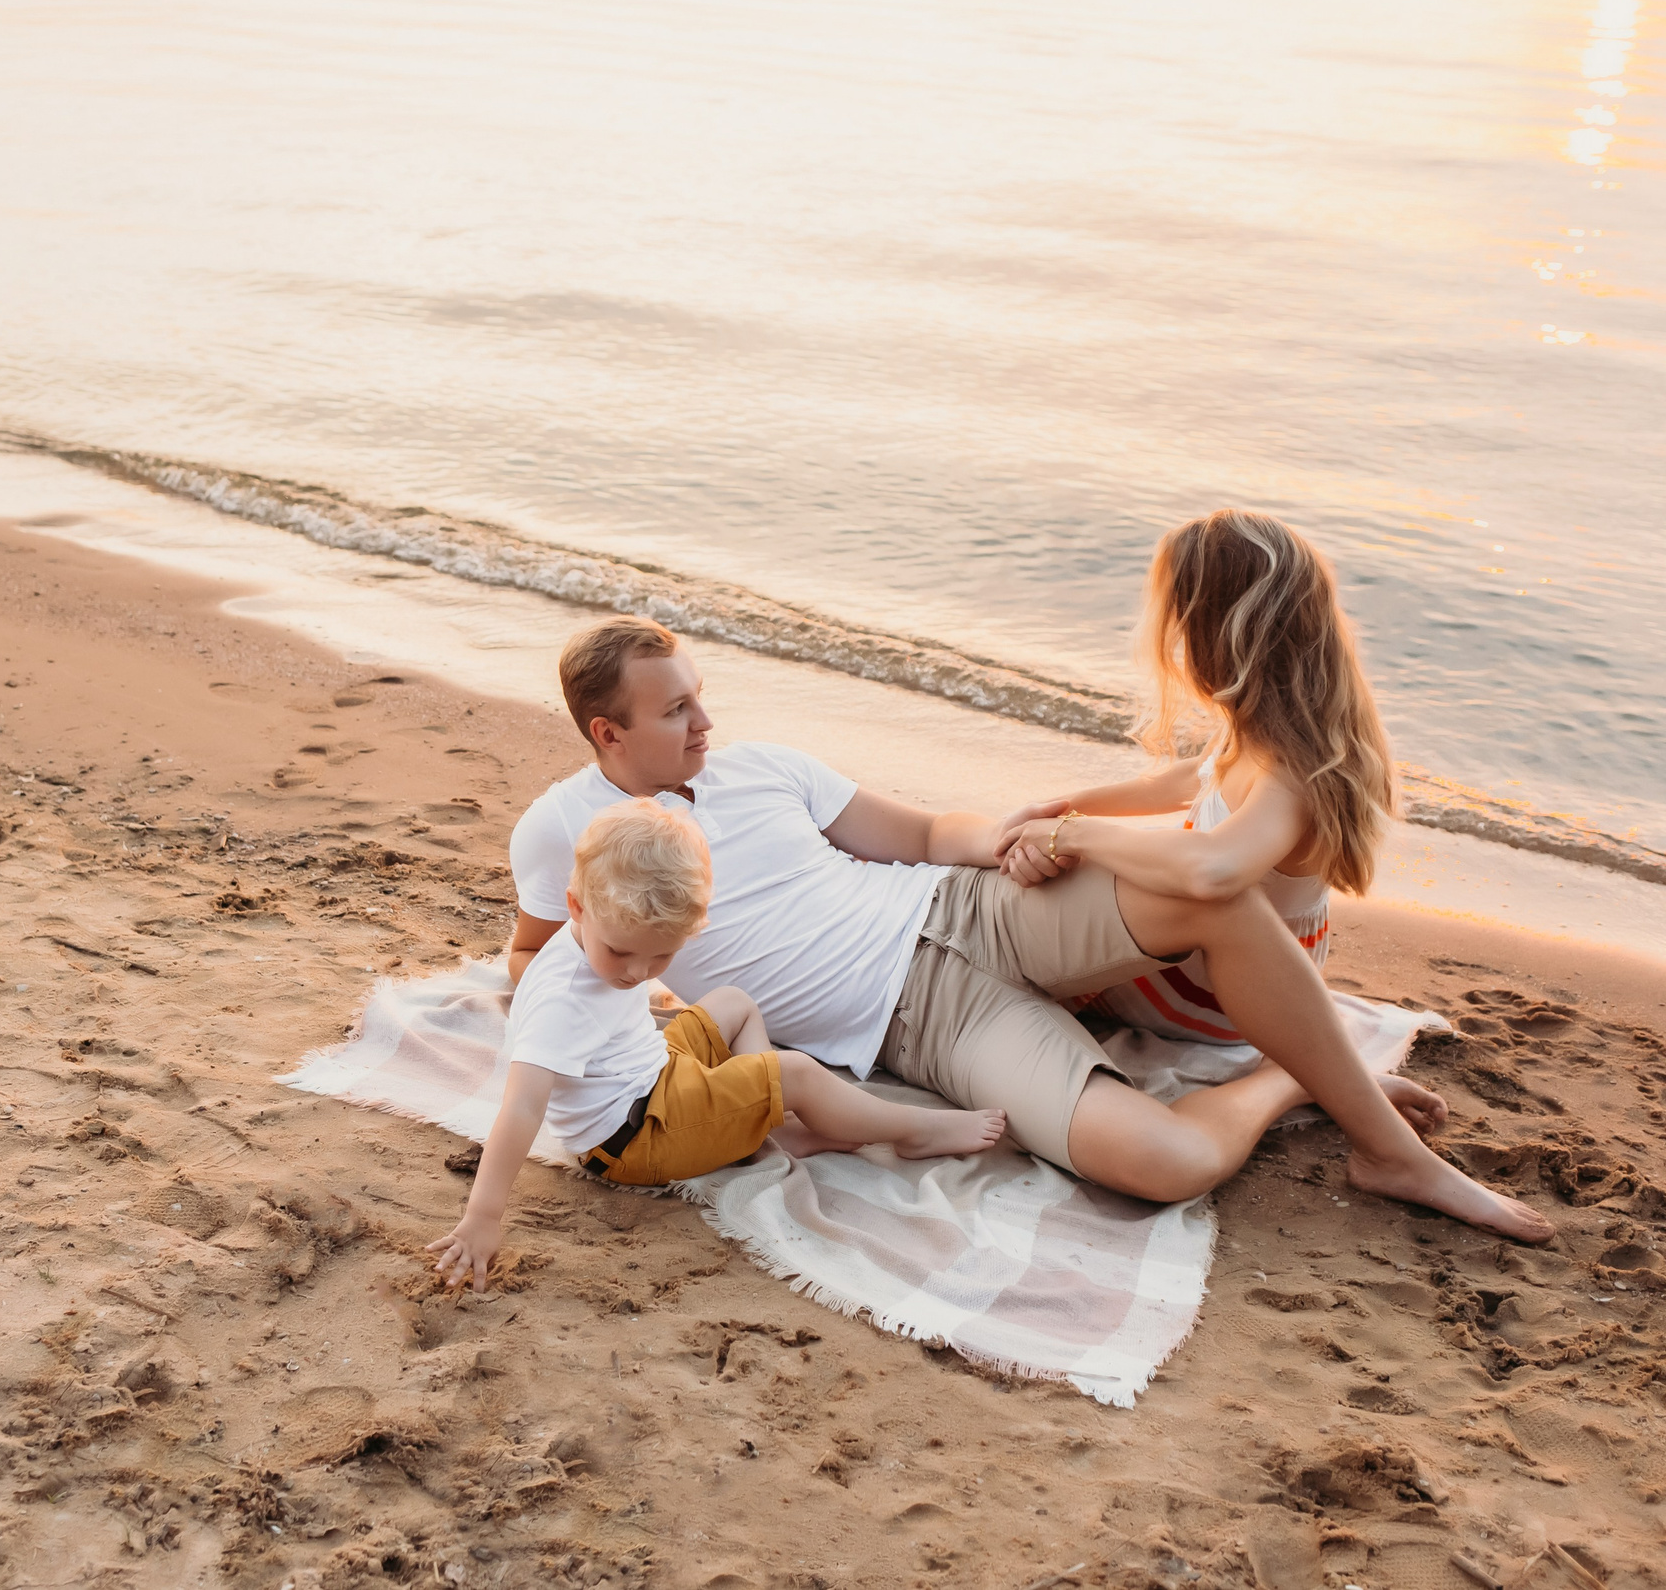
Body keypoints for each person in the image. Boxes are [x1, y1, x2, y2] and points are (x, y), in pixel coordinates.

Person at [508, 582, 1554, 1243]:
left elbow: (919, 836)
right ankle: (1294, 1075)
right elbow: (534, 967)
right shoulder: (562, 830)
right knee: (1166, 1168)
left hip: (972, 907)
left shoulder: (762, 768)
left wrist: (1018, 832)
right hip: (921, 1025)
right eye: (676, 709)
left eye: (699, 693)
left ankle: (1389, 1152)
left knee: (1217, 888)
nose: (704, 719)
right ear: (608, 733)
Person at [432, 799, 1005, 1290]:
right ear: (576, 906)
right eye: (623, 953)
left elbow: (625, 1002)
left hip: (655, 1078)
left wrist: (644, 1002)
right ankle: (911, 1131)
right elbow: (522, 1105)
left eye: (661, 956)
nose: (638, 972)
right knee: (794, 1071)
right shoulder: (561, 1000)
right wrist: (484, 1213)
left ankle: (762, 1124)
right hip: (636, 1138)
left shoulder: (604, 938)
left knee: (733, 1002)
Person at [1038, 510, 1377, 1047]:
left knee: (1032, 924)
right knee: (1095, 868)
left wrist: (1075, 834)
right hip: (1219, 980)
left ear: (1214, 636)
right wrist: (1066, 806)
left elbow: (1215, 871)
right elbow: (1188, 782)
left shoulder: (1291, 772)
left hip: (1212, 999)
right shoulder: (1269, 733)